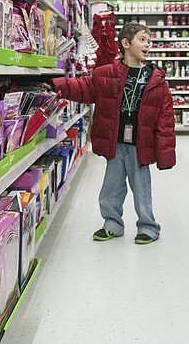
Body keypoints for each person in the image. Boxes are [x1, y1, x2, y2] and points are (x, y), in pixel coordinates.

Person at [52, 22, 176, 244]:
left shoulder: (156, 79)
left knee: (142, 188)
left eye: (149, 40)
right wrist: (56, 84)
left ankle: (148, 226)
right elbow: (83, 88)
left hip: (140, 143)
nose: (147, 44)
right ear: (126, 44)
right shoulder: (106, 74)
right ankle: (112, 223)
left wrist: (166, 152)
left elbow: (165, 119)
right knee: (111, 187)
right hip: (115, 141)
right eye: (142, 39)